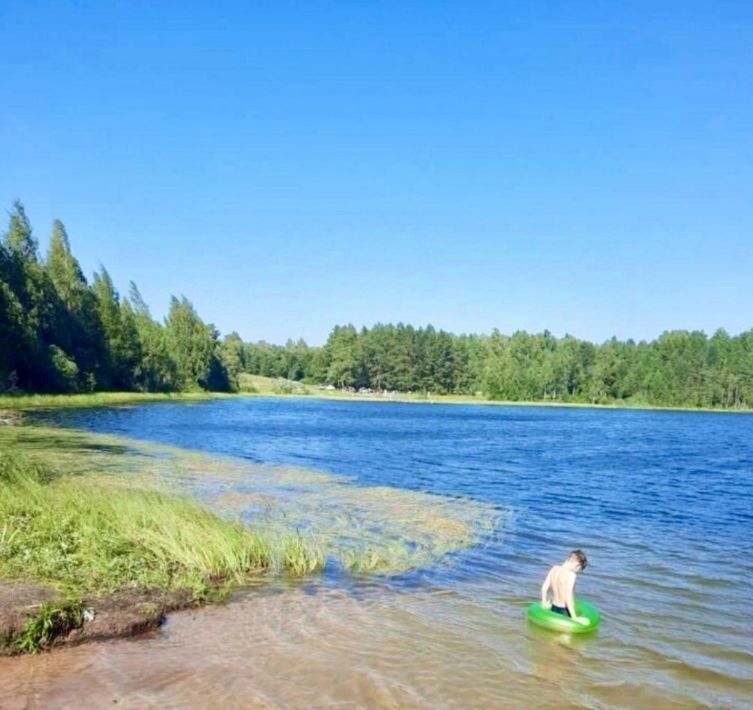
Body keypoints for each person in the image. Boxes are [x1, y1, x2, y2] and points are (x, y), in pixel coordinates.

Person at [540, 550, 589, 625]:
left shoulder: (554, 568)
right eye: (579, 569)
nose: (578, 572)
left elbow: (544, 588)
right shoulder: (571, 575)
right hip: (565, 610)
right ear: (578, 564)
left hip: (554, 607)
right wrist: (574, 617)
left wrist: (544, 602)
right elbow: (568, 597)